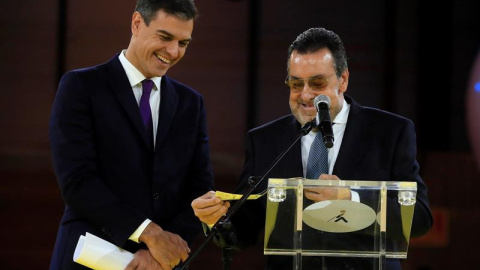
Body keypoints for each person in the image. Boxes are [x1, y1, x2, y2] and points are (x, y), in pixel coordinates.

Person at [191, 27, 433, 270]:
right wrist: (217, 220)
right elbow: (245, 229)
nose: (305, 95)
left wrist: (351, 198)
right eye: (296, 84)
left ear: (344, 80)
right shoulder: (265, 140)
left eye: (317, 83)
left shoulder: (390, 132)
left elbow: (420, 218)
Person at [49, 1, 214, 269]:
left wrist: (163, 251)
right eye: (165, 37)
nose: (173, 52)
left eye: (183, 43)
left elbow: (200, 191)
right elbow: (77, 181)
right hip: (89, 258)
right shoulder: (81, 87)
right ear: (137, 23)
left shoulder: (191, 103)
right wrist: (151, 234)